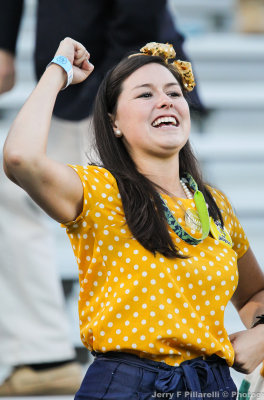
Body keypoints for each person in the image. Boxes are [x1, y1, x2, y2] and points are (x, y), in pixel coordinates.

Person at [3, 36, 264, 399]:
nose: (165, 100)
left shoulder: (215, 204)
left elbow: (257, 292)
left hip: (212, 387)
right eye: (145, 94)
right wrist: (57, 72)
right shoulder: (99, 189)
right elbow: (20, 158)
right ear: (114, 122)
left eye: (173, 92)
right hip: (127, 386)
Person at [0, 1, 205, 395]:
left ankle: (154, 355)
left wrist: (123, 88)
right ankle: (43, 353)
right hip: (87, 73)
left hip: (108, 72)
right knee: (13, 192)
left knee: (140, 211)